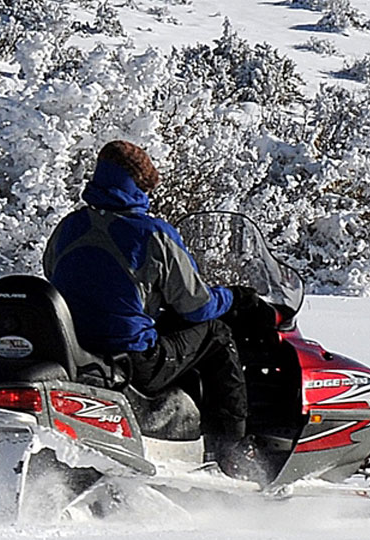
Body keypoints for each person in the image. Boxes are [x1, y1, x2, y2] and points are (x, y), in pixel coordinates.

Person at [43, 139, 273, 483]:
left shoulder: (68, 227)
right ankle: (232, 449)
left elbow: (53, 272)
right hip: (134, 360)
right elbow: (197, 307)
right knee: (216, 333)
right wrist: (237, 298)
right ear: (138, 184)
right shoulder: (153, 234)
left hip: (76, 350)